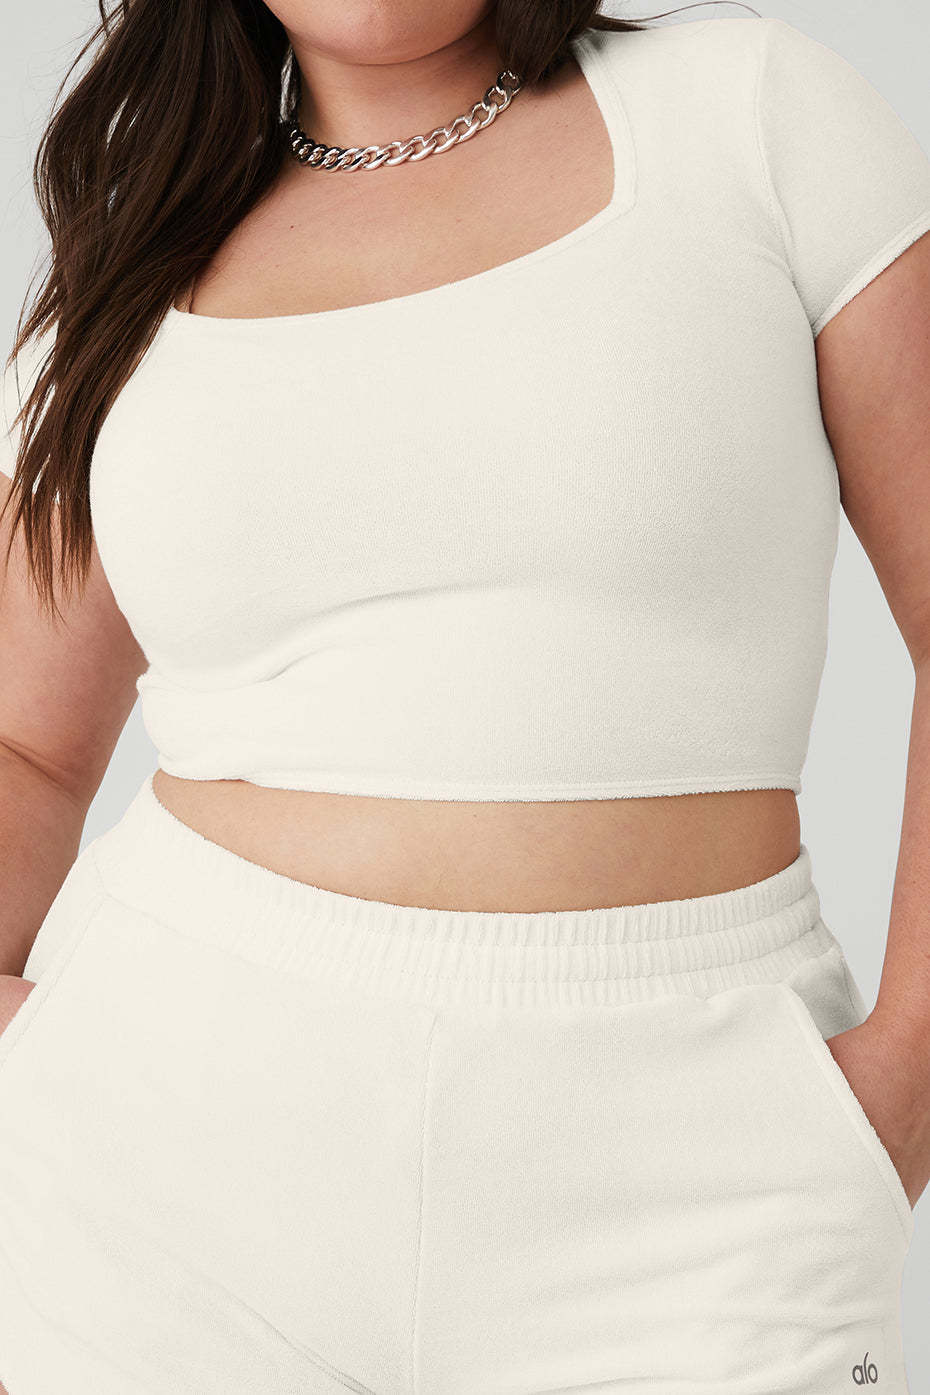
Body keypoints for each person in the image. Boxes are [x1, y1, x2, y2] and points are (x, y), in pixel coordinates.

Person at [0, 1, 928, 1390]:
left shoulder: (748, 113)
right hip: (150, 1167)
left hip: (698, 1168)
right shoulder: (134, 250)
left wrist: (901, 1089)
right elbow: (25, 740)